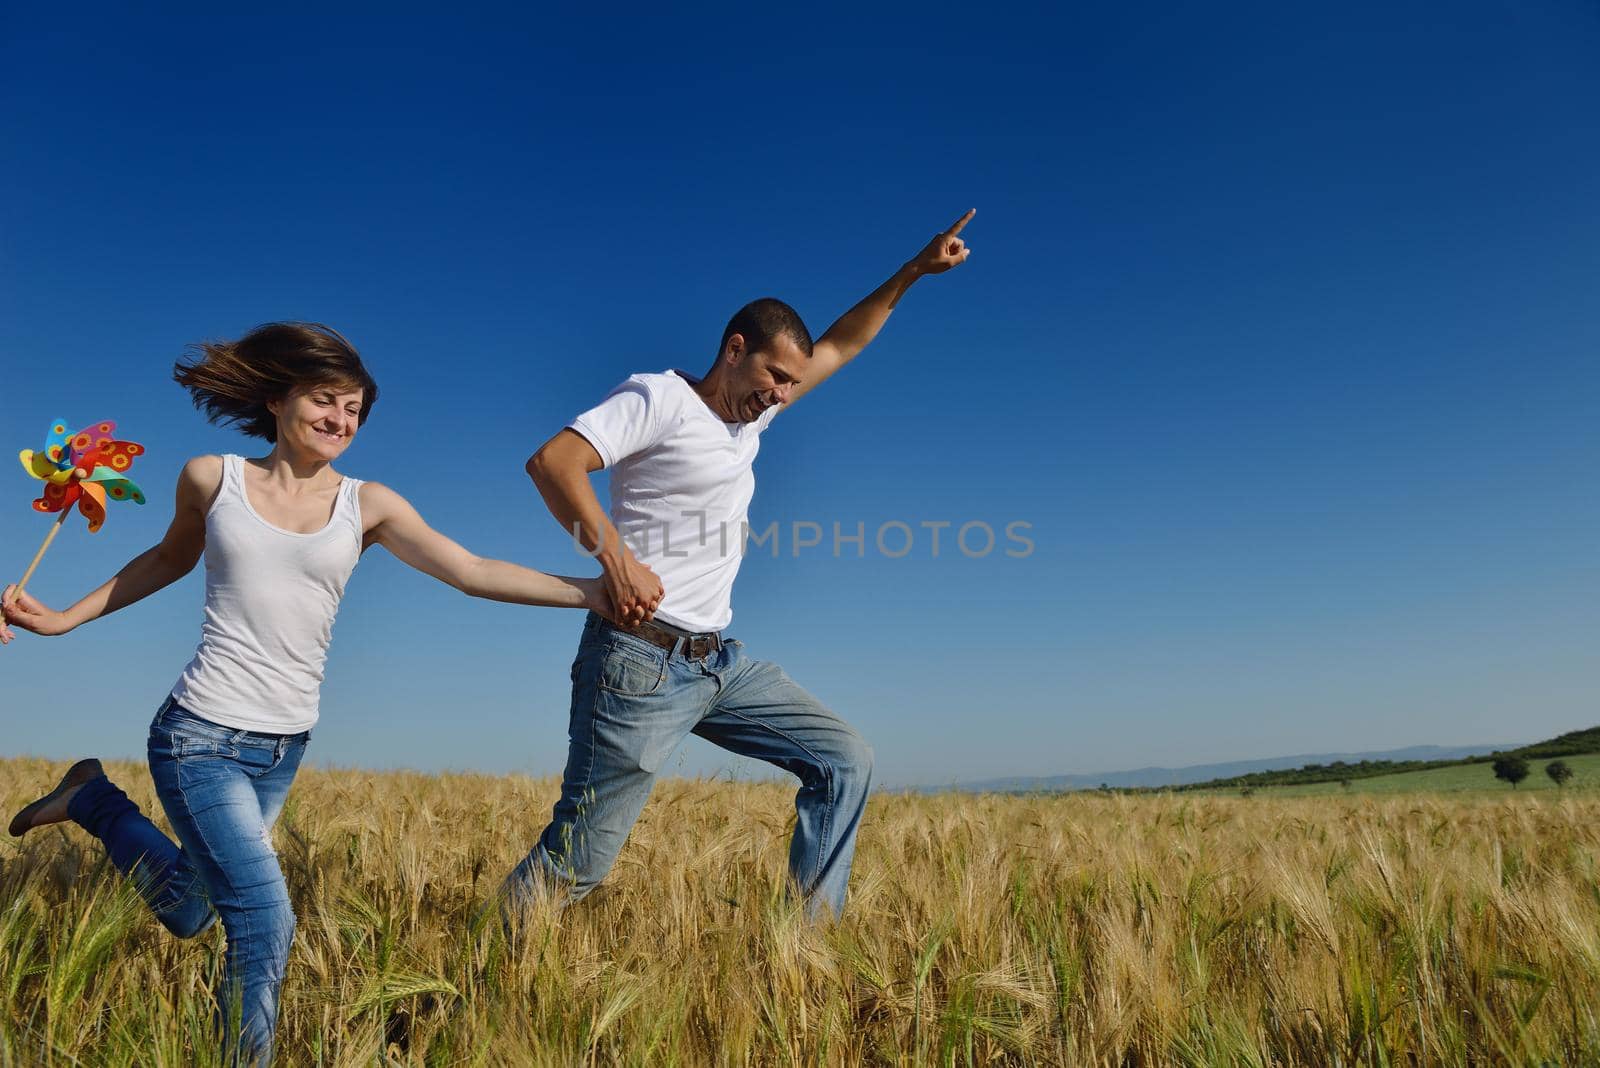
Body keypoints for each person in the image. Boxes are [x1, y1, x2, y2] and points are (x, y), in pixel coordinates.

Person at [0, 322, 658, 1065]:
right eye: (326, 400)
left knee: (189, 907)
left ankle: (91, 798)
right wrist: (59, 619)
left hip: (282, 746)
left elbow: (470, 569)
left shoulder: (366, 504)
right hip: (199, 737)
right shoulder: (213, 480)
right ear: (280, 400)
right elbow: (163, 561)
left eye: (354, 410)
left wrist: (592, 593)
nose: (341, 420)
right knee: (263, 919)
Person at [500, 209, 975, 920]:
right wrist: (616, 560)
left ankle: (805, 958)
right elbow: (554, 462)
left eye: (791, 384)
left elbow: (842, 343)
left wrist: (913, 271)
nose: (782, 395)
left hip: (718, 663)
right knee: (578, 864)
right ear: (734, 348)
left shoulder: (754, 416)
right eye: (774, 376)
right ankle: (458, 991)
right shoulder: (660, 398)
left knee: (845, 759)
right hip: (640, 658)